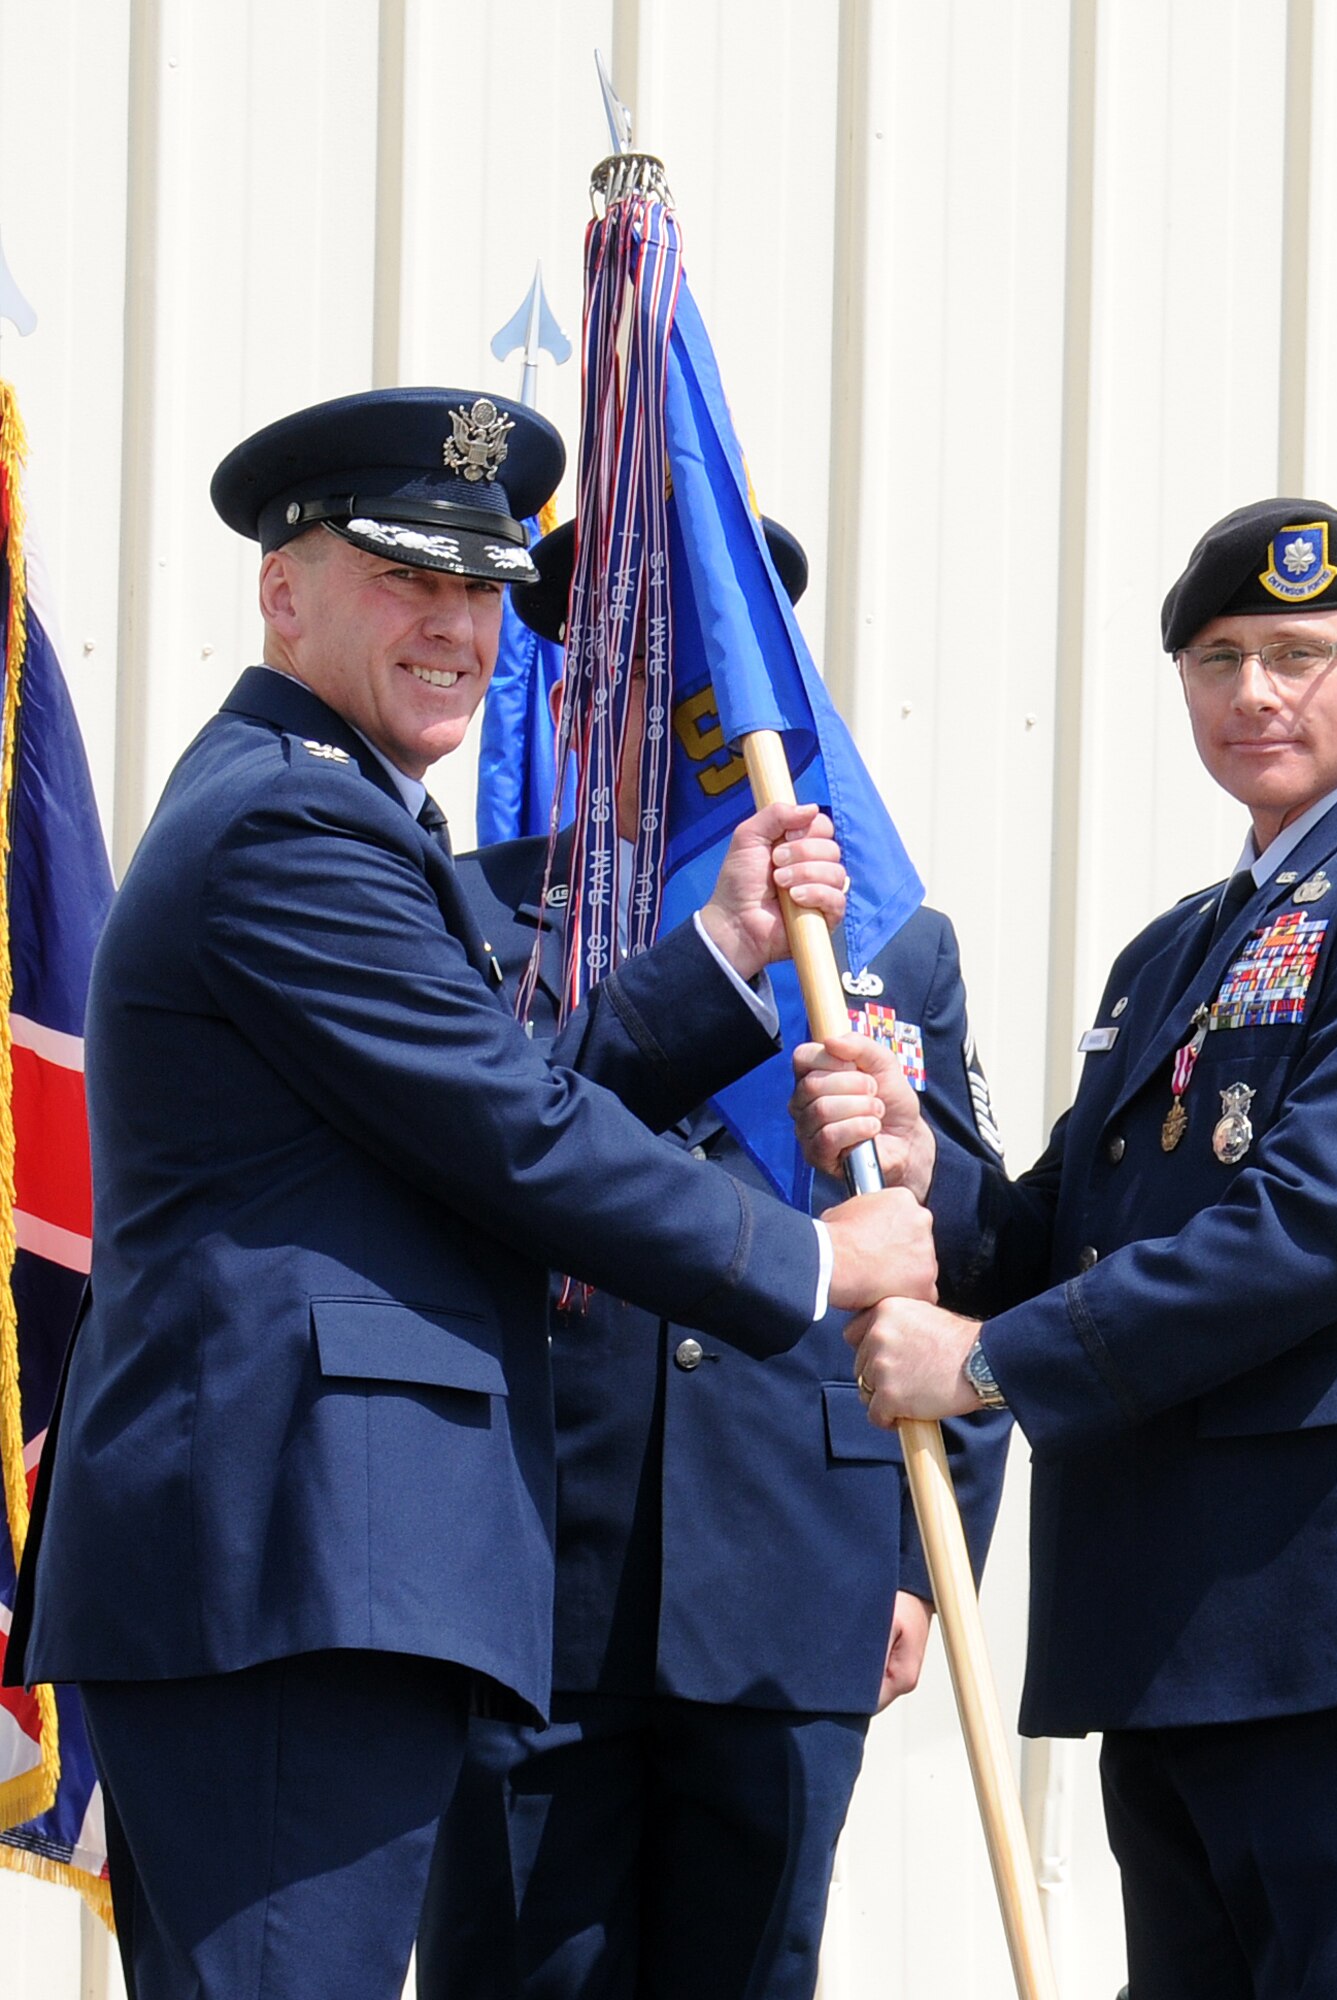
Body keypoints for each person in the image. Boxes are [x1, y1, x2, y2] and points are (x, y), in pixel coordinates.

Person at [4, 387, 936, 2000]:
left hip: (310, 1570)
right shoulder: (293, 820)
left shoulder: (329, 804)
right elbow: (515, 1136)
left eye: (482, 589)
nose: (457, 627)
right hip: (293, 1569)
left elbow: (498, 1100)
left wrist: (714, 954)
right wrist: (810, 1260)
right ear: (282, 589)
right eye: (404, 578)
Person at [793, 499, 1337, 2000]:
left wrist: (989, 1364)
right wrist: (931, 1165)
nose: (1255, 693)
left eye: (1295, 654)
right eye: (1217, 660)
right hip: (1166, 1634)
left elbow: (1317, 1231)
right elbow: (1064, 1232)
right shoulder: (1177, 950)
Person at [415, 515, 1012, 2000]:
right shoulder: (471, 918)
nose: (652, 718)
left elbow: (961, 1253)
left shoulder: (885, 940)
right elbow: (493, 1162)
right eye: (609, 679)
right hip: (534, 1566)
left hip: (795, 1567)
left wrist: (923, 1569)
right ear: (560, 702)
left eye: (695, 686)